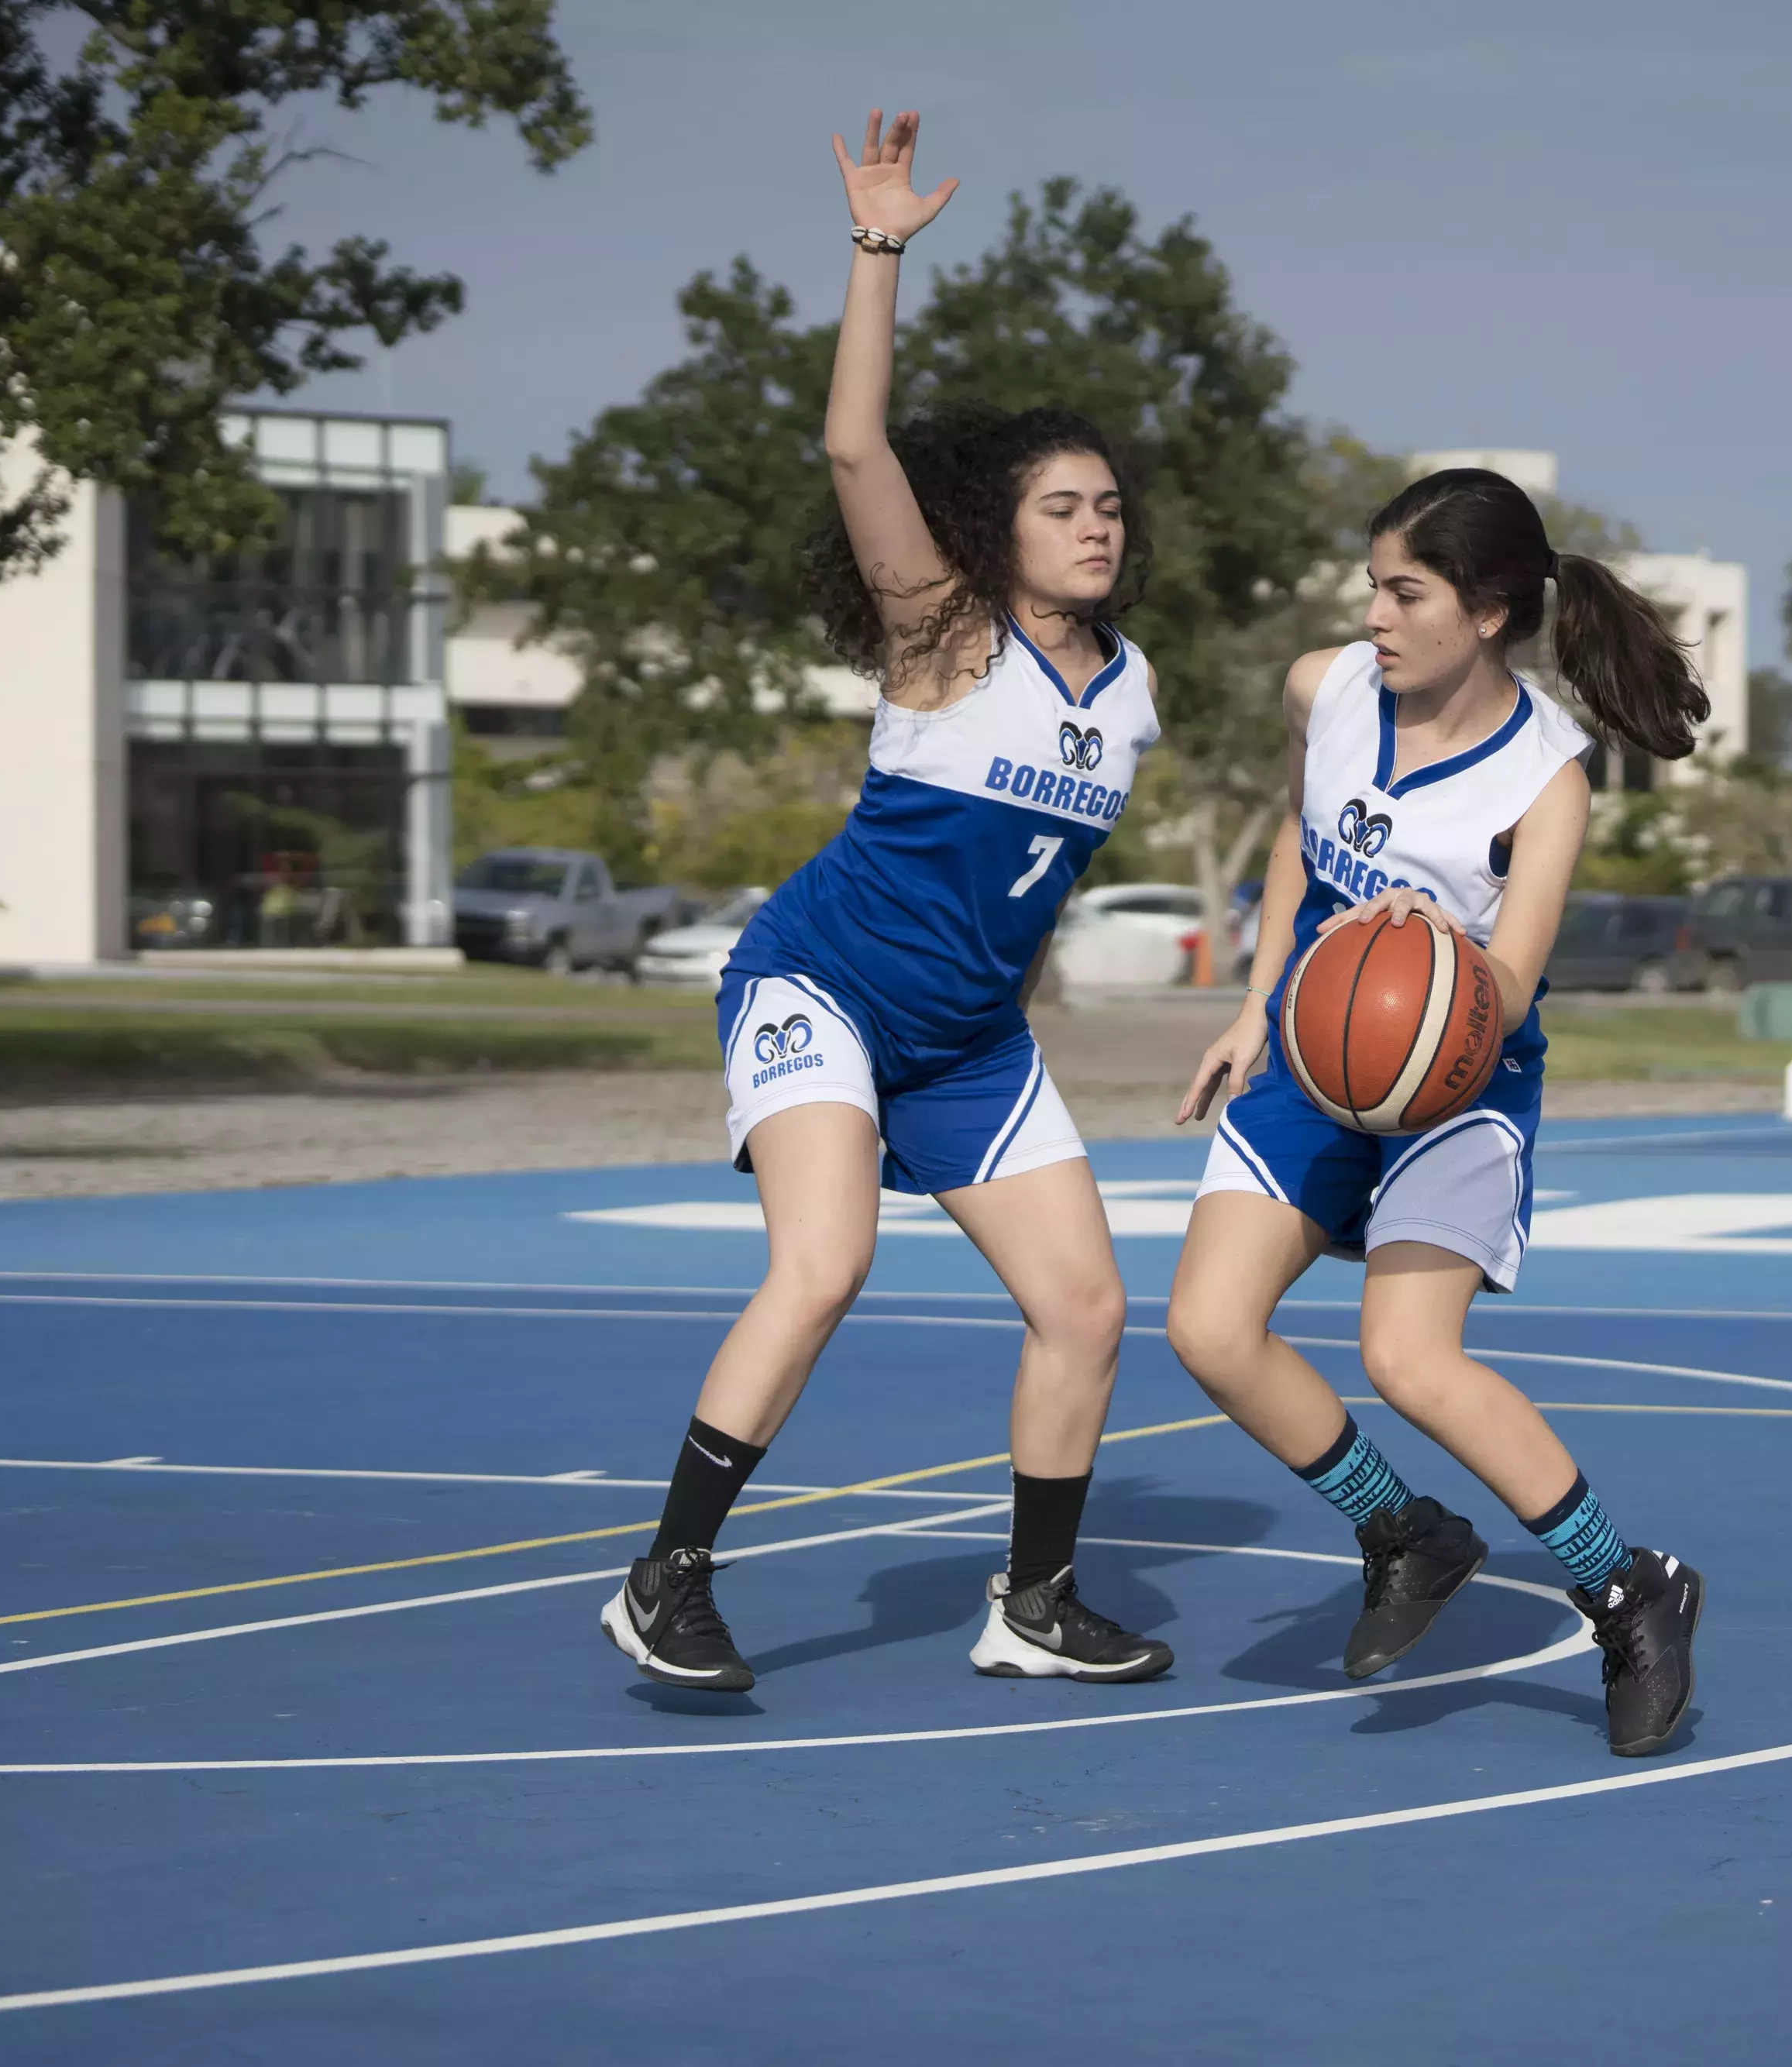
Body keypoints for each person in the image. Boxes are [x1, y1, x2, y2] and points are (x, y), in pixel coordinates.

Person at [601, 108, 1171, 1694]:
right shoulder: (945, 637)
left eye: (1110, 504)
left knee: (1086, 1302)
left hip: (967, 1037)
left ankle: (1034, 1600)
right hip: (824, 987)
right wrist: (875, 249)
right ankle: (668, 1574)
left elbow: (1028, 893)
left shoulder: (1127, 692)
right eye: (1064, 504)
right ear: (998, 529)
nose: (1097, 522)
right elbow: (857, 447)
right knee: (825, 1260)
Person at [1164, 469, 1713, 1758]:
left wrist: (1435, 945)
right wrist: (1257, 1001)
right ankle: (1406, 1531)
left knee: (1408, 1358)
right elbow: (1302, 839)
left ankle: (1625, 1589)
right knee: (1206, 1327)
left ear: (1486, 612)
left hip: (1459, 1079)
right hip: (1314, 1045)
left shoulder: (1545, 778)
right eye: (1371, 586)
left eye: (1405, 592)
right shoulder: (1327, 688)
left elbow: (1511, 986)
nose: (1375, 615)